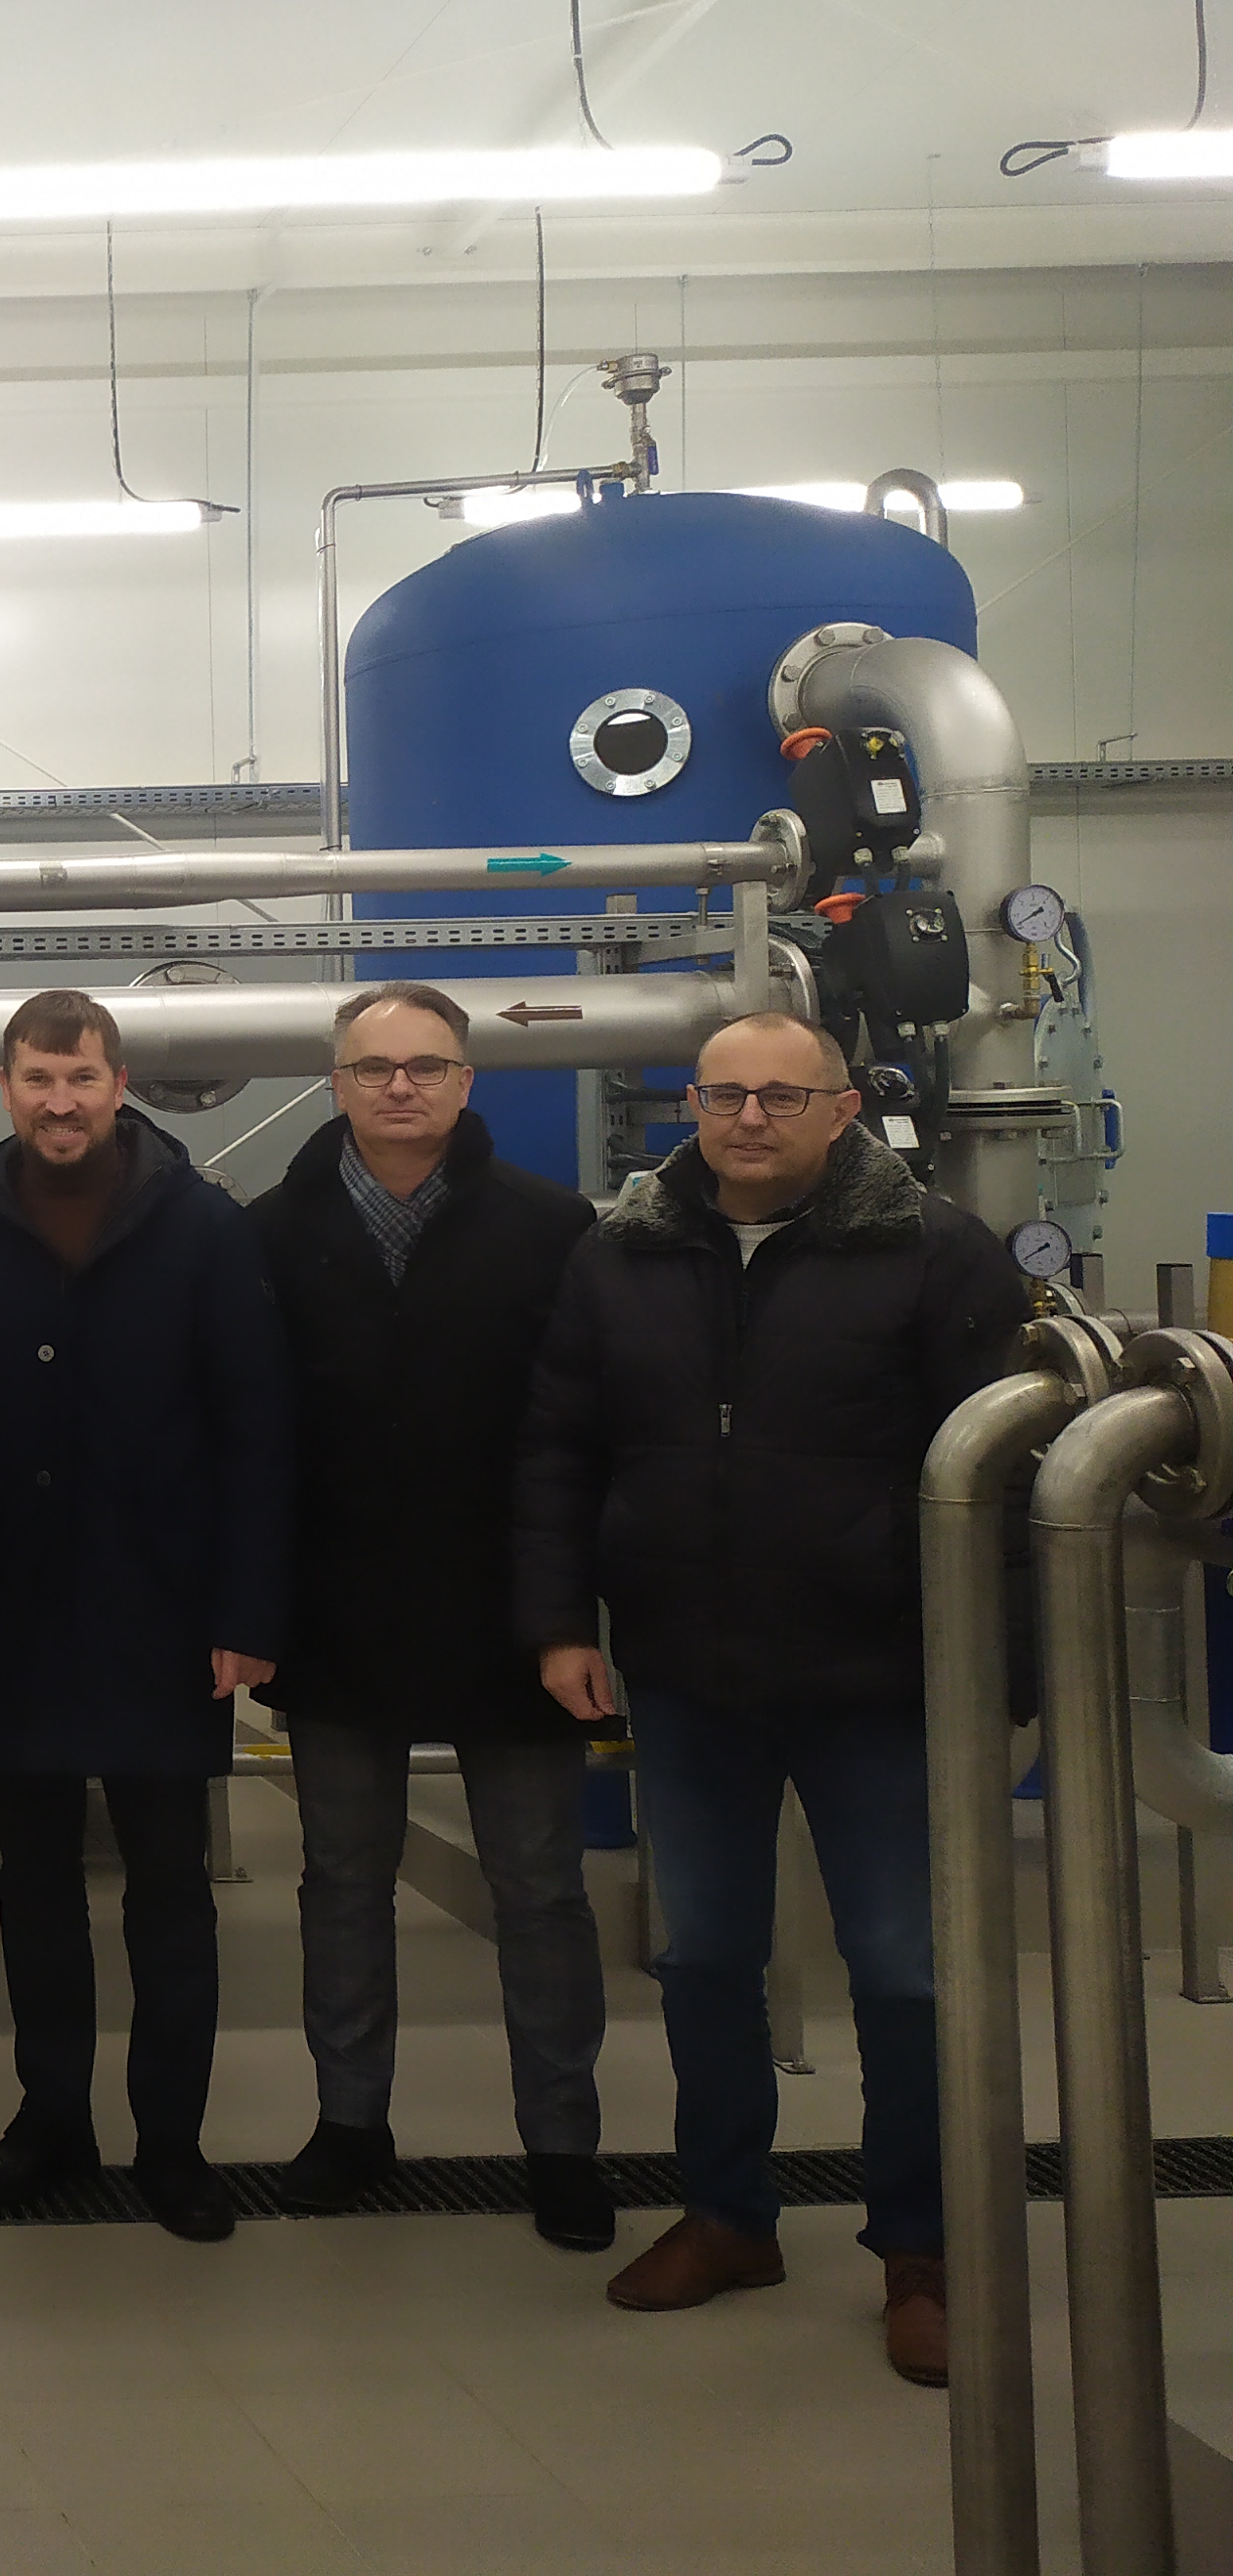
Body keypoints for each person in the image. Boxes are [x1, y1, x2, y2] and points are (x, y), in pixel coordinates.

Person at [517, 1009, 1025, 2384]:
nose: (749, 1118)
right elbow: (559, 1448)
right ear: (689, 1104)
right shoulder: (620, 1255)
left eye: (781, 1097)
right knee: (702, 1958)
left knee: (904, 1970)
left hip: (880, 1678)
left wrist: (1003, 1666)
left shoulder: (935, 1253)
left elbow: (1007, 1467)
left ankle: (920, 2250)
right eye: (724, 1094)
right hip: (690, 1674)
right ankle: (729, 2215)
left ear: (843, 1110)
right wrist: (560, 1624)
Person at [0, 990, 292, 2245]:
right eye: (37, 1079)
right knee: (32, 1890)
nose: (59, 1102)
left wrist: (244, 1610)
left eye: (80, 1079)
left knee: (170, 1892)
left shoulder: (203, 1228)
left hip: (162, 1619)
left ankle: (171, 2143)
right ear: (4, 1089)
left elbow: (255, 1434)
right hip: (11, 1619)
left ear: (117, 1085)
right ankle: (52, 2122)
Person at [244, 986, 608, 2249]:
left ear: (466, 1081)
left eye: (426, 1066)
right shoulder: (268, 1235)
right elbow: (246, 1444)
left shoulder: (553, 1231)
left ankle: (562, 2141)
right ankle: (350, 2122)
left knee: (540, 1890)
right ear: (334, 1083)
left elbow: (579, 1434)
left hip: (510, 1613)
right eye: (374, 1067)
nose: (399, 1087)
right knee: (341, 1882)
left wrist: (568, 1612)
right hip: (334, 1614)